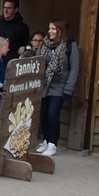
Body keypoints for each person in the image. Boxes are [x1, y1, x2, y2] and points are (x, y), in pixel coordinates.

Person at [35, 19, 79, 157]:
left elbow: (74, 68)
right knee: (43, 115)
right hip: (45, 85)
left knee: (53, 114)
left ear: (61, 30)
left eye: (53, 29)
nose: (50, 31)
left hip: (60, 86)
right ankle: (46, 140)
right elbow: (37, 62)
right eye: (49, 29)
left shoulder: (70, 46)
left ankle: (53, 144)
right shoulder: (45, 45)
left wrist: (68, 89)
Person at [0, 0, 29, 67]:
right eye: (4, 7)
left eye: (9, 8)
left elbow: (25, 45)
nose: (6, 10)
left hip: (12, 64)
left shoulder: (22, 27)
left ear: (16, 9)